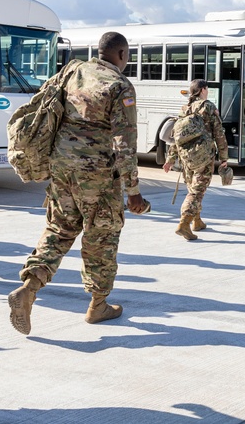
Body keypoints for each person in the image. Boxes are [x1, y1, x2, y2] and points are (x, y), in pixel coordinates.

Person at [8, 31, 148, 335]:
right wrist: (133, 190)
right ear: (122, 55)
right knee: (101, 236)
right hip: (96, 173)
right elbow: (124, 142)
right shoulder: (119, 85)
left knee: (60, 228)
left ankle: (29, 288)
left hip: (61, 165)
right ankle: (98, 305)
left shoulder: (72, 70)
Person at [163, 79, 229, 241]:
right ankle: (184, 224)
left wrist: (170, 159)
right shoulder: (208, 107)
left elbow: (176, 138)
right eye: (207, 88)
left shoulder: (185, 109)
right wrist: (224, 158)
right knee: (197, 191)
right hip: (204, 156)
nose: (208, 91)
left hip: (186, 157)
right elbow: (219, 134)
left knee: (193, 187)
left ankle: (197, 221)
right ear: (202, 90)